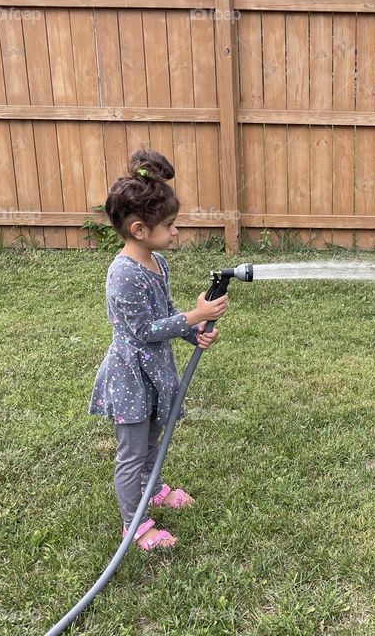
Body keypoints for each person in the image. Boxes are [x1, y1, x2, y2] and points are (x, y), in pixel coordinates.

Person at [89, 149, 228, 550]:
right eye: (169, 225)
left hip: (154, 369)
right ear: (138, 228)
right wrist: (192, 315)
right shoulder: (123, 275)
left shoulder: (156, 262)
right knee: (132, 453)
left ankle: (154, 488)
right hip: (131, 376)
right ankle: (134, 524)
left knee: (152, 439)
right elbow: (146, 330)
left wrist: (194, 328)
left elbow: (164, 312)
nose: (175, 232)